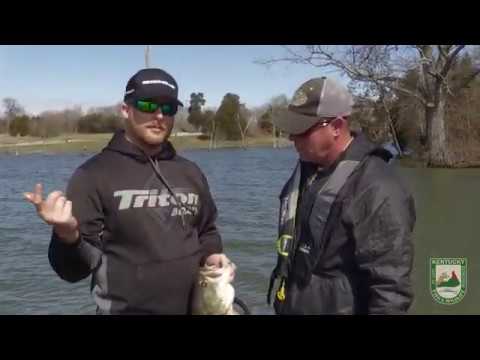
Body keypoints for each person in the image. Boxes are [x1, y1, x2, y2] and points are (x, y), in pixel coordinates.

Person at [24, 68, 230, 314]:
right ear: (126, 110)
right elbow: (71, 272)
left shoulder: (191, 172)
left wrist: (212, 257)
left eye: (168, 108)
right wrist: (67, 236)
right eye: (147, 104)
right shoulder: (93, 175)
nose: (159, 115)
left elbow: (207, 231)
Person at [267, 76, 415, 315]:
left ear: (336, 127)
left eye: (301, 130)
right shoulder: (308, 169)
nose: (292, 137)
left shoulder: (378, 188)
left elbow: (391, 291)